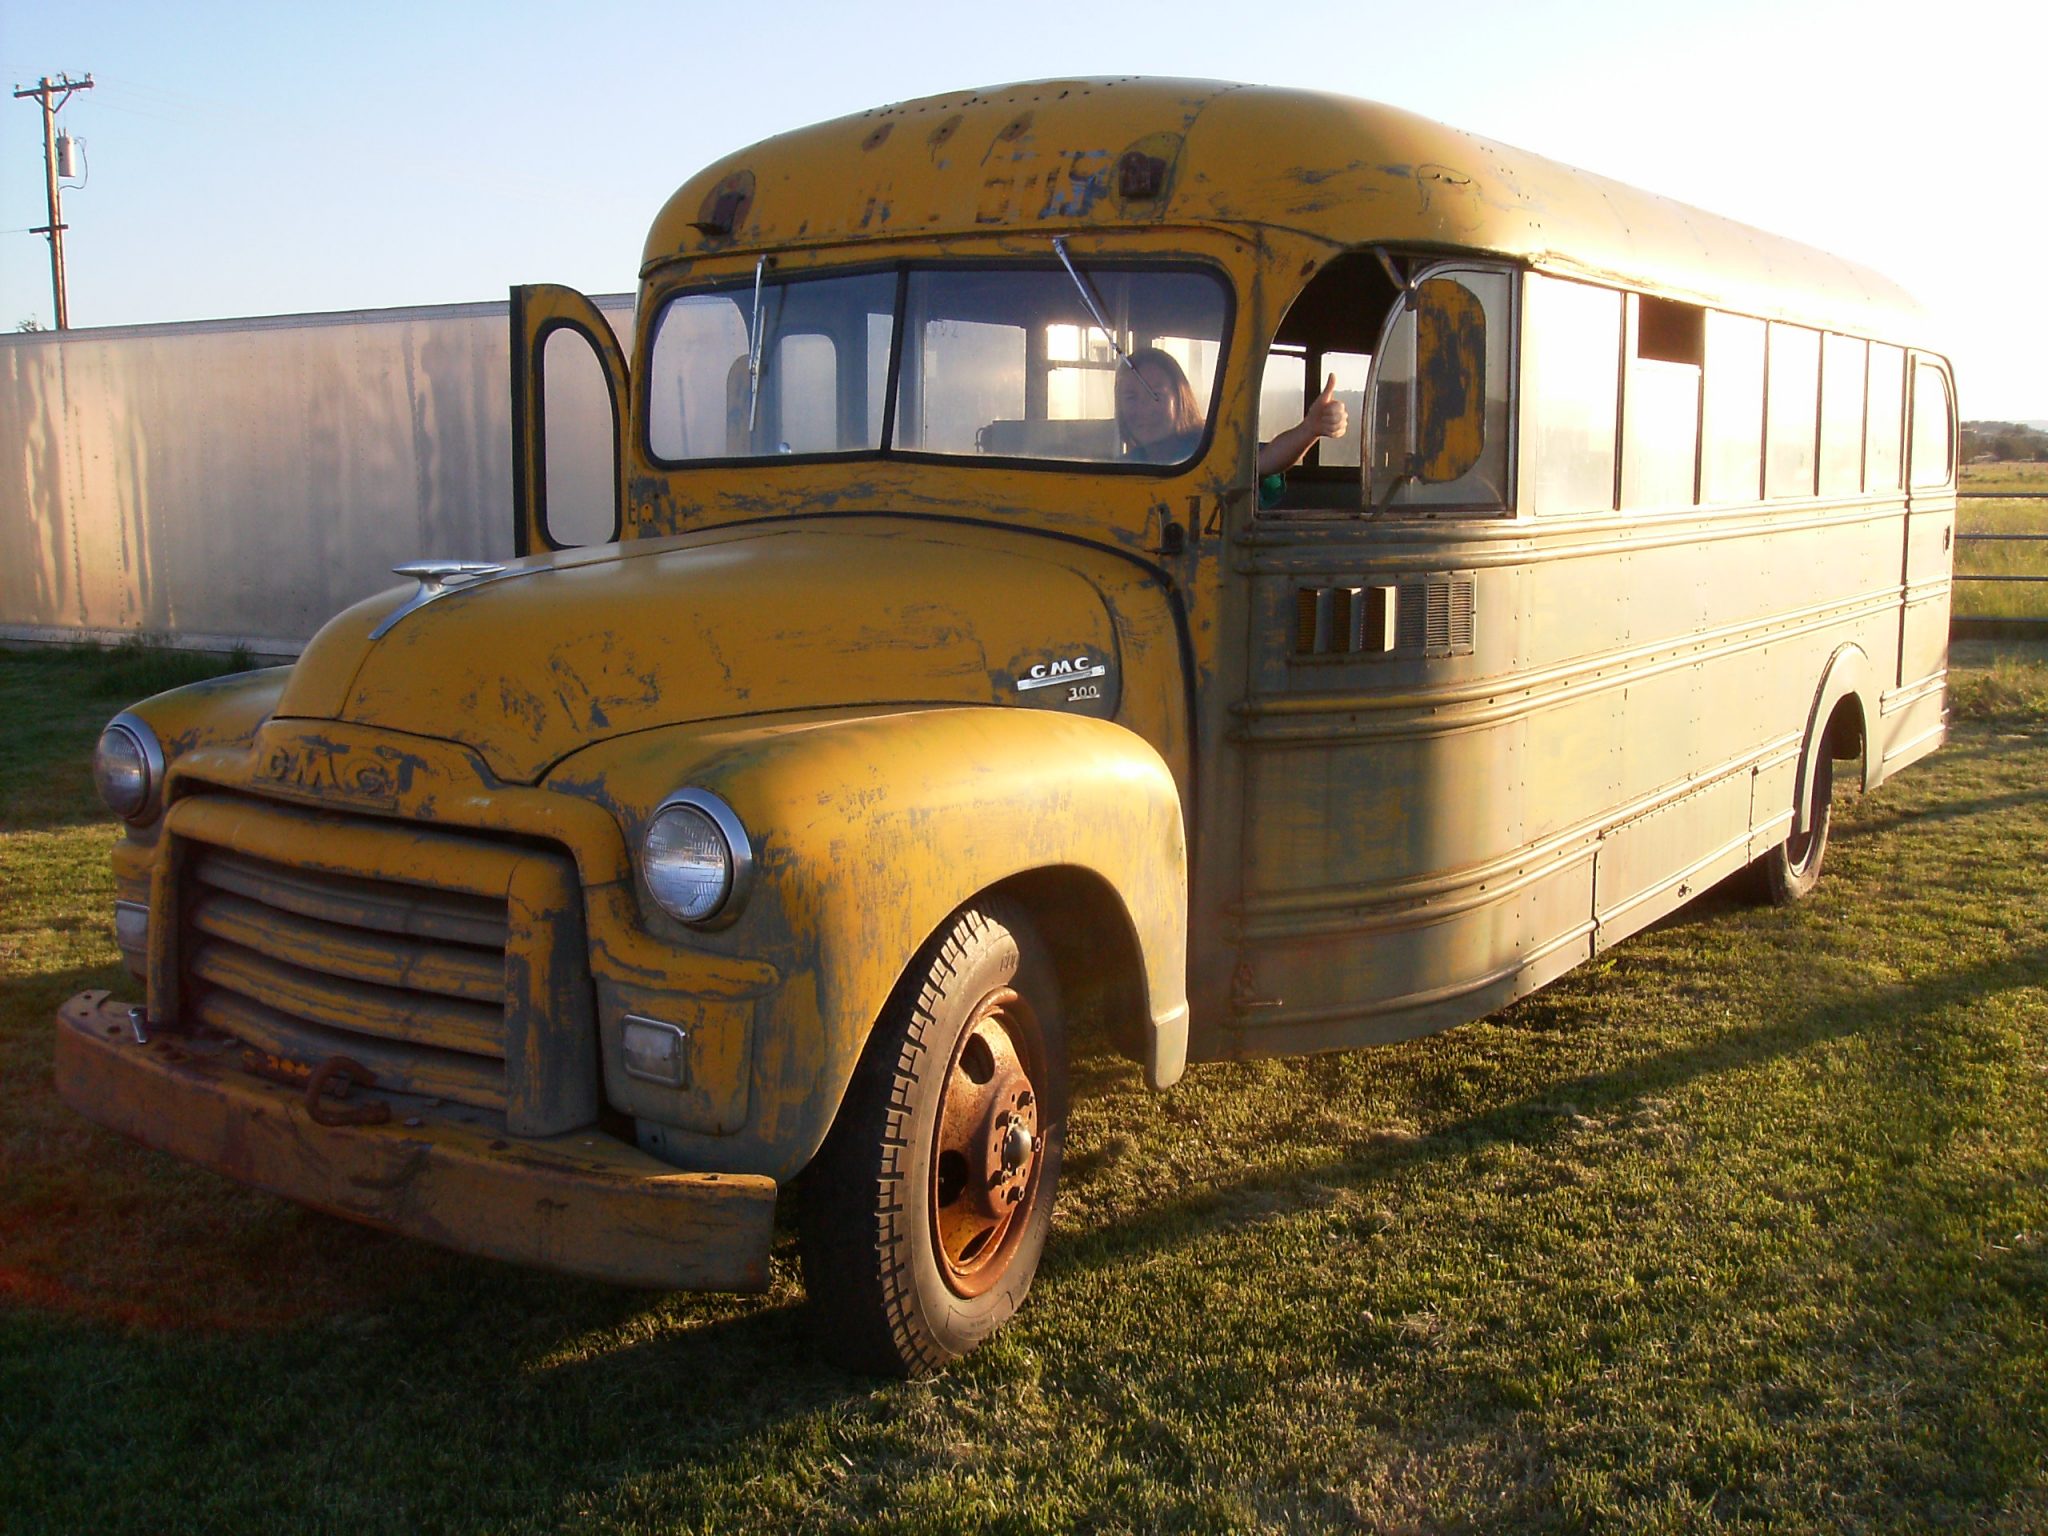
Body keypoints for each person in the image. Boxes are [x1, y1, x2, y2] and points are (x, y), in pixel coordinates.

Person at [1114, 347, 1350, 477]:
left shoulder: (1207, 449)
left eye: (1156, 394)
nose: (1143, 409)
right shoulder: (1122, 467)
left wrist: (1309, 429)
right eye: (1131, 397)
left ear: (1181, 399)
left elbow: (1264, 461)